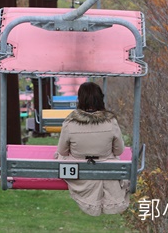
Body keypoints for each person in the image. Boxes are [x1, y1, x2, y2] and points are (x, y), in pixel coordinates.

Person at [54, 82, 129, 216]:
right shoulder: (111, 121)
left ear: (80, 99)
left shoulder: (70, 123)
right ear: (100, 98)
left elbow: (62, 151)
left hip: (78, 173)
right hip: (106, 168)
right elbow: (119, 151)